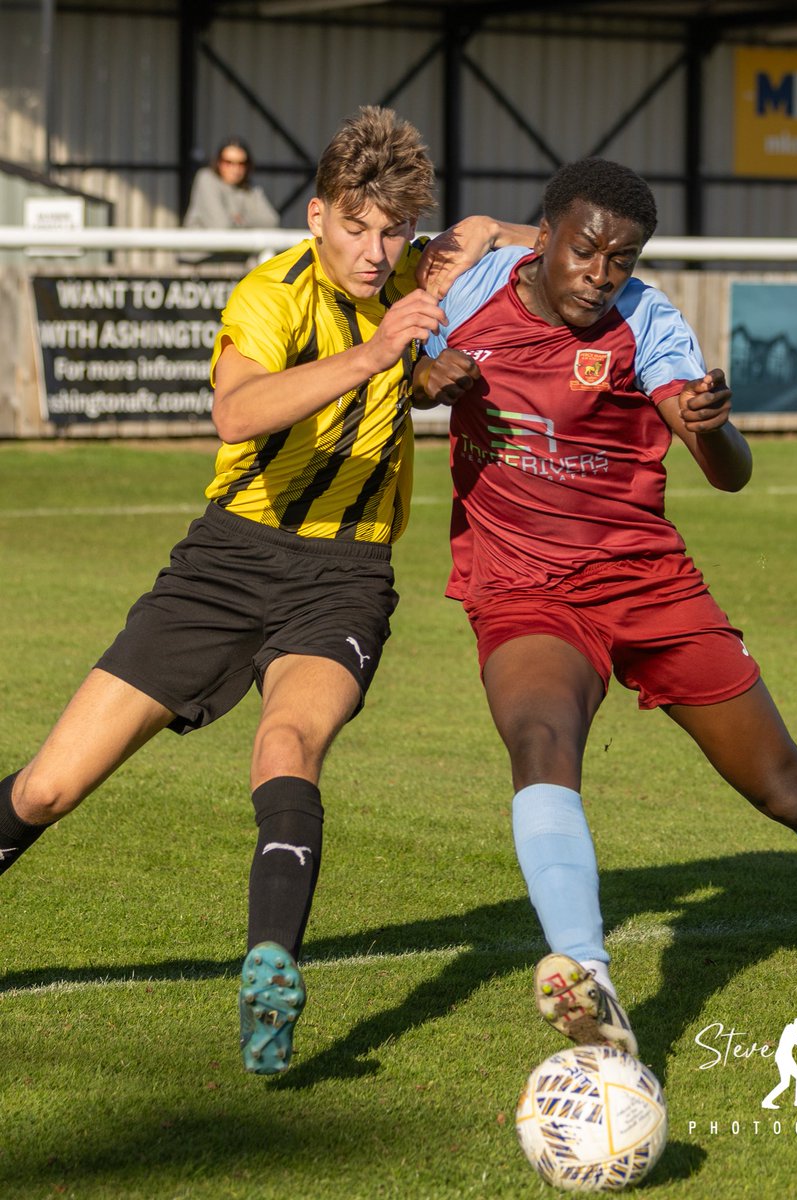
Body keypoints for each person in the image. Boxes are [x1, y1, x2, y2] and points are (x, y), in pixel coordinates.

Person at [0, 106, 533, 1076]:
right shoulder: (271, 294)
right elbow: (238, 410)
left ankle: (270, 977)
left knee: (286, 742)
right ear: (316, 213)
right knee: (47, 785)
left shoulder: (416, 270)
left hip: (344, 576)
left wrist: (485, 245)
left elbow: (532, 241)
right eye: (358, 229)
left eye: (395, 233)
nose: (377, 255)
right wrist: (385, 356)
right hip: (225, 565)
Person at [413, 157, 797, 1056]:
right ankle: (588, 980)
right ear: (542, 236)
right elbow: (387, 352)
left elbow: (728, 474)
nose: (600, 273)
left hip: (647, 583)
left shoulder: (647, 320)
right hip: (524, 585)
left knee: (785, 787)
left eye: (620, 260)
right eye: (585, 250)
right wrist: (418, 380)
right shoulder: (467, 291)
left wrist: (713, 428)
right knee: (541, 741)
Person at [183, 136, 280, 232]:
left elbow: (272, 221)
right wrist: (248, 222)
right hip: (203, 247)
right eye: (228, 162)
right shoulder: (206, 178)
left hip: (237, 246)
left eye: (241, 163)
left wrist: (240, 220)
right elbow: (221, 226)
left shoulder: (252, 189)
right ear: (219, 163)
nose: (235, 169)